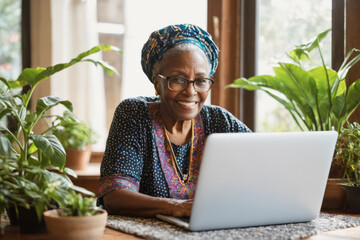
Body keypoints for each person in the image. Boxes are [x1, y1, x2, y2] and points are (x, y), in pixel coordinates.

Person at [98, 24, 251, 218]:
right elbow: (114, 196)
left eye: (201, 80)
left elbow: (265, 164)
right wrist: (176, 207)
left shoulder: (220, 121)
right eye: (178, 80)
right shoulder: (133, 115)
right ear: (156, 83)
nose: (190, 91)